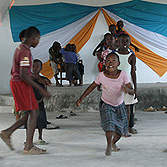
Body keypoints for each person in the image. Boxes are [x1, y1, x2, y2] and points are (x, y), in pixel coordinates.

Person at [0, 26, 51, 154]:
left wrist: (39, 79)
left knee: (32, 112)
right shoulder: (25, 51)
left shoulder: (21, 48)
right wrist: (41, 89)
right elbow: (23, 74)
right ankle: (28, 146)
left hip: (17, 82)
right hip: (20, 84)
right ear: (34, 38)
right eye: (38, 39)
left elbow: (25, 71)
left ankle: (8, 132)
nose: (38, 42)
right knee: (34, 112)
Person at [76, 52, 134, 156]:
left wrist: (127, 89)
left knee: (120, 131)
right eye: (108, 61)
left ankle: (113, 143)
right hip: (106, 104)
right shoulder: (101, 76)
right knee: (109, 125)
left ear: (118, 63)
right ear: (105, 63)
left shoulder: (123, 75)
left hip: (119, 105)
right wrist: (81, 98)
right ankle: (108, 145)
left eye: (113, 61)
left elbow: (132, 90)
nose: (110, 63)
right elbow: (92, 87)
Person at [116, 33, 138, 136]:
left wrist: (135, 88)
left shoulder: (131, 56)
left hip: (128, 85)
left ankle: (129, 126)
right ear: (118, 42)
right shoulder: (114, 55)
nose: (124, 43)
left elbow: (133, 73)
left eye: (127, 41)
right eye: (122, 41)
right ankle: (119, 127)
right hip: (116, 85)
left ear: (130, 43)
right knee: (117, 107)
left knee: (129, 107)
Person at [24, 59, 50, 144]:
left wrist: (40, 100)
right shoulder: (27, 78)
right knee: (28, 121)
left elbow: (44, 90)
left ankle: (40, 137)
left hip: (39, 102)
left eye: (37, 67)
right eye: (33, 66)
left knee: (40, 120)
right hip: (29, 102)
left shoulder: (43, 79)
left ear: (41, 68)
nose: (35, 68)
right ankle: (28, 139)